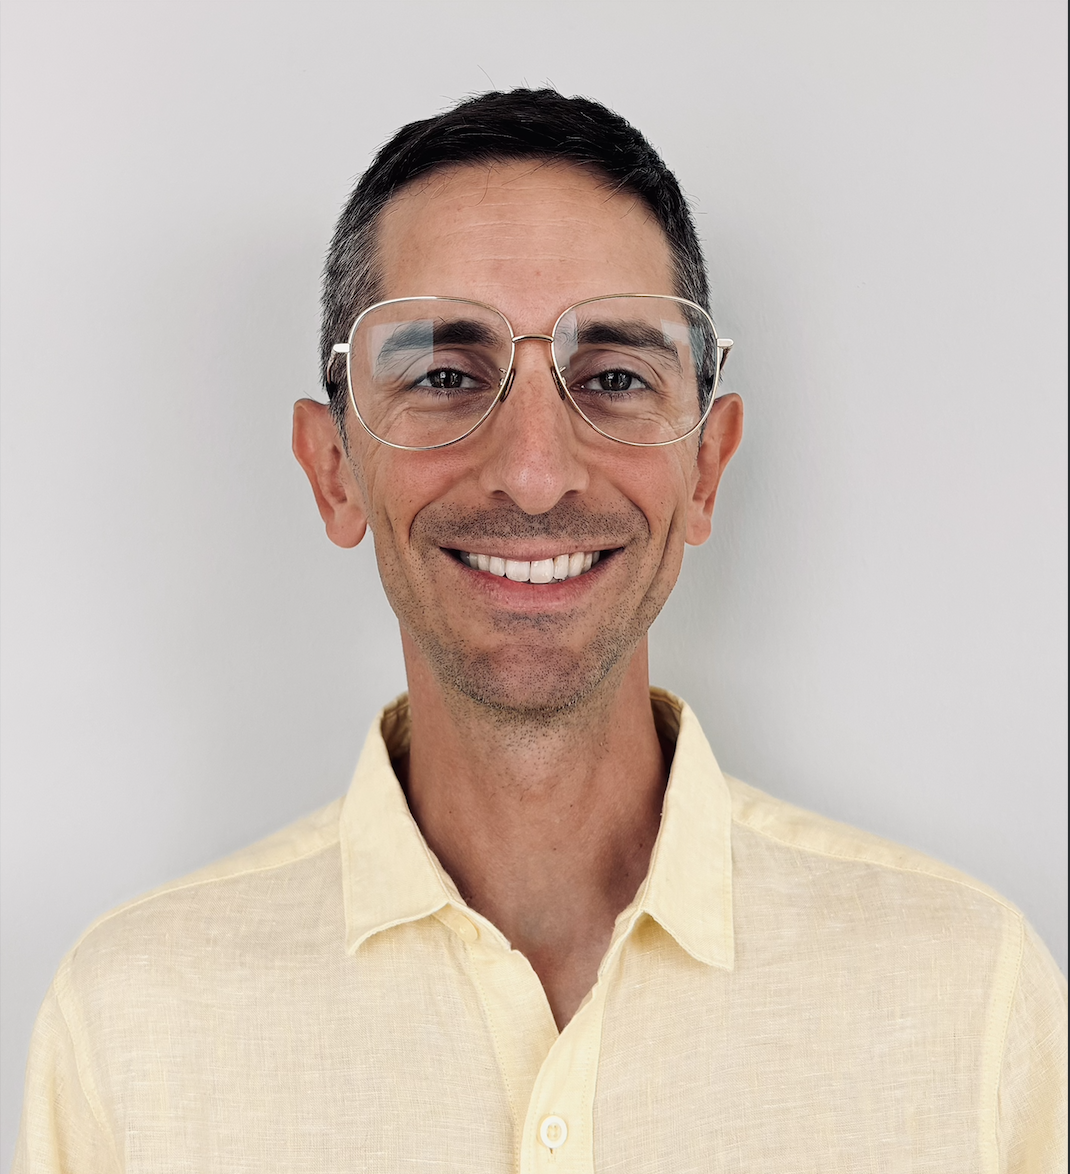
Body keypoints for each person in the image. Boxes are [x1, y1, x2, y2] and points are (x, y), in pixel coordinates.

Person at [15, 88, 1066, 1174]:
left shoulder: (966, 1002)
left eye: (612, 377)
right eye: (443, 375)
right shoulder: (129, 1025)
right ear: (333, 470)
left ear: (705, 466)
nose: (530, 473)